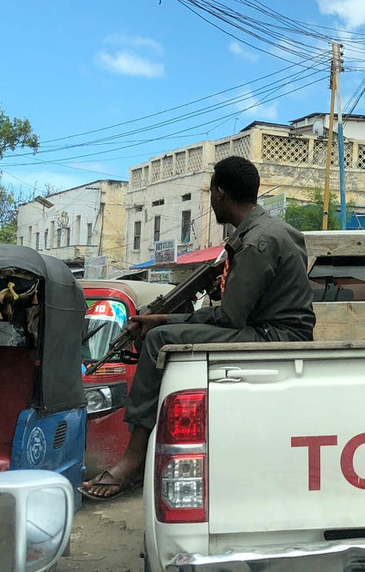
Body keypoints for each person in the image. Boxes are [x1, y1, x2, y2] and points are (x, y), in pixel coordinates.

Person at [80, 156, 316, 500]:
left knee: (159, 340)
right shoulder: (271, 230)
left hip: (273, 334)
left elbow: (229, 318)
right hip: (275, 328)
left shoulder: (253, 243)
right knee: (162, 331)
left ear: (219, 193)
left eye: (210, 191)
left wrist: (162, 322)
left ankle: (133, 458)